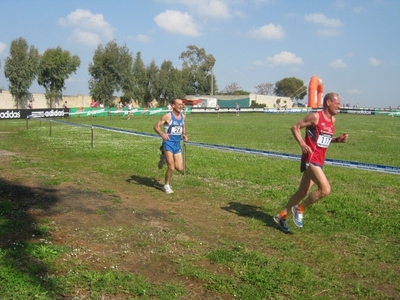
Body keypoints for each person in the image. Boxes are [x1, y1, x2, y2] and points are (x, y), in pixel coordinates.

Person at [274, 92, 349, 233]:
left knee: (303, 191)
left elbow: (322, 141)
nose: (339, 106)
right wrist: (302, 144)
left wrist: (337, 140)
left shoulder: (332, 121)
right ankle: (300, 209)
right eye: (337, 103)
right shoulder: (315, 117)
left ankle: (281, 216)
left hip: (319, 161)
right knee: (325, 190)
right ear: (328, 103)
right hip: (310, 159)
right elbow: (295, 127)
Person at [153, 98, 188, 194]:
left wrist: (184, 135)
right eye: (179, 104)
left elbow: (183, 126)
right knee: (171, 167)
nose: (181, 106)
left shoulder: (183, 116)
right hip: (168, 143)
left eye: (182, 104)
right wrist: (162, 134)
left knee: (180, 168)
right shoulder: (168, 116)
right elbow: (156, 126)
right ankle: (166, 185)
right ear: (173, 106)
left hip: (177, 144)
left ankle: (163, 158)